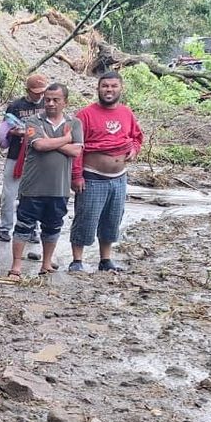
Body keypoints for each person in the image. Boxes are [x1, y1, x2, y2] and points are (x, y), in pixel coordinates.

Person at [69, 71, 143, 273]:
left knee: (112, 219)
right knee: (85, 218)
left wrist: (134, 149)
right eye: (105, 86)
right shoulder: (84, 115)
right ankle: (77, 260)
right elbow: (76, 147)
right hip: (92, 177)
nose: (109, 90)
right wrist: (76, 176)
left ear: (121, 88)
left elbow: (137, 136)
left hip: (119, 178)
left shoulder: (126, 113)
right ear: (98, 88)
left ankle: (105, 259)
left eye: (113, 86)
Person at [7, 83, 82, 277]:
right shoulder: (34, 121)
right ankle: (16, 266)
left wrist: (53, 142)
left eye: (56, 100)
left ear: (65, 102)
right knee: (23, 226)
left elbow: (76, 151)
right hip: (32, 187)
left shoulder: (74, 124)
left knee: (53, 227)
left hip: (59, 188)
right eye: (47, 99)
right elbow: (39, 145)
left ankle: (46, 263)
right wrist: (66, 140)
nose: (50, 103)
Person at [0, 74, 48, 245]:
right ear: (27, 90)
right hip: (16, 155)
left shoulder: (47, 104)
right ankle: (5, 228)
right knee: (9, 194)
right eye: (35, 92)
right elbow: (5, 129)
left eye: (42, 91)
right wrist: (17, 132)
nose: (39, 95)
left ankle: (32, 229)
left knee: (34, 195)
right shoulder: (15, 106)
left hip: (38, 158)